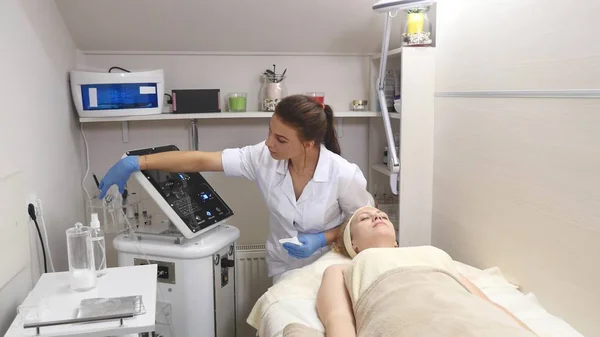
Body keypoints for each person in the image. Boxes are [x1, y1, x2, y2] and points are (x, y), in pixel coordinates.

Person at [97, 94, 373, 282]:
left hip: (330, 267)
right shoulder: (263, 158)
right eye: (269, 132)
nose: (268, 143)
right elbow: (202, 159)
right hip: (284, 268)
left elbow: (364, 223)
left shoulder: (344, 174)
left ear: (308, 144)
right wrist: (137, 162)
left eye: (280, 139)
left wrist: (322, 238)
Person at [316, 206, 537, 337]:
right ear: (353, 244)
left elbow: (488, 305)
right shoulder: (345, 268)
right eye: (365, 218)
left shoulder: (433, 253)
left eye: (383, 215)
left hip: (476, 321)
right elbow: (338, 318)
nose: (378, 217)